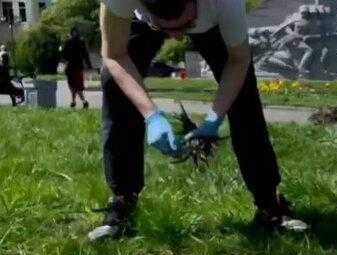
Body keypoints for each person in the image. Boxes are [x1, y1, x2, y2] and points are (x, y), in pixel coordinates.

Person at [90, 0, 308, 240]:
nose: (178, 36)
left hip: (211, 22)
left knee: (242, 91)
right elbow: (114, 55)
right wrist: (151, 115)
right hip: (146, 21)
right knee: (114, 83)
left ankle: (269, 203)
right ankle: (123, 201)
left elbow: (239, 60)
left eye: (187, 25)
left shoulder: (225, 3)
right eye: (165, 29)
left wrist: (214, 119)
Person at [62, 27, 94, 109]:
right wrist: (89, 65)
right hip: (77, 66)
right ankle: (77, 101)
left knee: (73, 85)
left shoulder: (68, 42)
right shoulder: (80, 41)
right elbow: (85, 54)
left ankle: (76, 101)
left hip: (71, 66)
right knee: (76, 85)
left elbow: (64, 55)